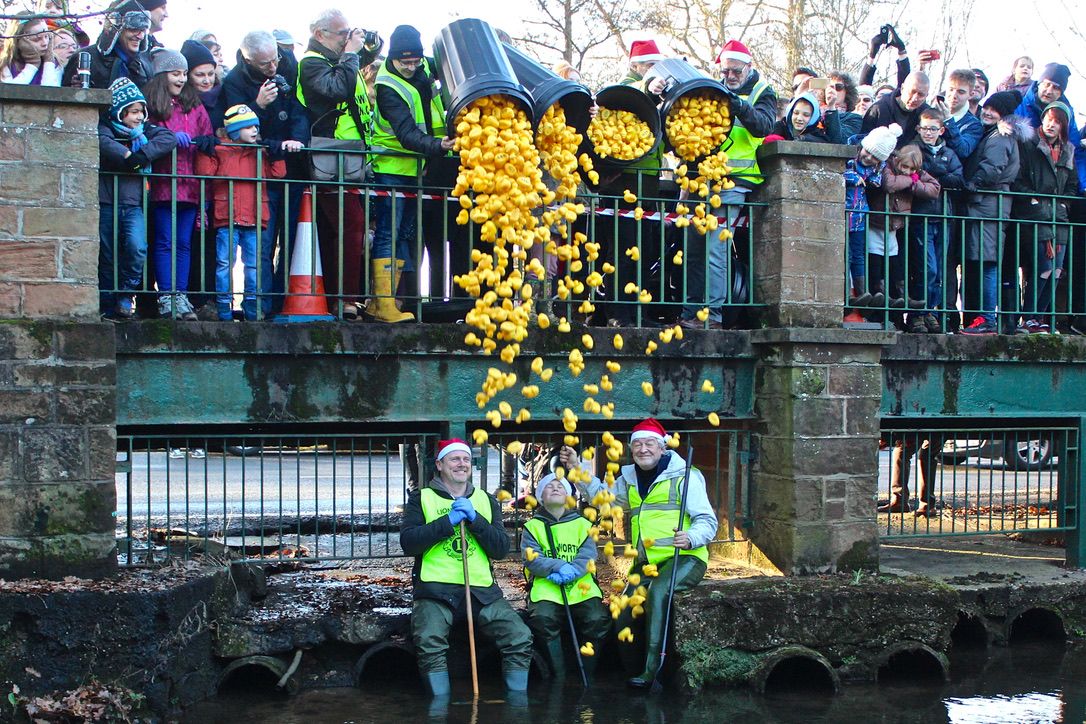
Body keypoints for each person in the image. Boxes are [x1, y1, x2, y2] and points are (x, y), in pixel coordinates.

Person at [584, 419, 717, 689]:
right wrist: (580, 473)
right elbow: (604, 501)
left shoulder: (685, 476)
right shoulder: (629, 479)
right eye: (637, 445)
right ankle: (631, 670)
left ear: (662, 447)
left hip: (685, 559)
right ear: (632, 450)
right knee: (624, 609)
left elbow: (707, 520)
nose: (643, 449)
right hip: (647, 563)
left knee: (658, 592)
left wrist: (691, 538)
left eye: (649, 444)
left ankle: (651, 671)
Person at [400, 439, 533, 700]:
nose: (462, 464)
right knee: (429, 640)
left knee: (519, 636)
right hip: (436, 589)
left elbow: (500, 549)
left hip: (482, 591)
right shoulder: (421, 499)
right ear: (439, 464)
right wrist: (447, 521)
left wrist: (475, 520)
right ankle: (439, 706)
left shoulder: (486, 500)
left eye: (466, 459)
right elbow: (409, 543)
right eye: (454, 459)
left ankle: (518, 704)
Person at [679, 39, 775, 330]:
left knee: (714, 247)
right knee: (695, 247)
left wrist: (739, 107)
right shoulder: (713, 88)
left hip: (736, 181)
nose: (730, 76)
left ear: (749, 67)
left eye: (735, 71)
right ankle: (692, 311)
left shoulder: (762, 91)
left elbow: (764, 125)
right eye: (726, 71)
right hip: (704, 178)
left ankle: (713, 315)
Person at [296, 9, 383, 320]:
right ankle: (344, 298)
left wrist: (363, 46)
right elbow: (335, 91)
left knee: (350, 227)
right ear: (320, 35)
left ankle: (345, 297)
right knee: (350, 226)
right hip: (330, 157)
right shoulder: (311, 62)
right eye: (342, 34)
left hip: (352, 156)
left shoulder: (342, 60)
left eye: (350, 33)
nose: (348, 40)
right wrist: (350, 55)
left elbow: (363, 66)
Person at [370, 25, 455, 322]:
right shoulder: (387, 87)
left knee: (403, 233)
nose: (410, 67)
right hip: (392, 167)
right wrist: (439, 145)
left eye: (415, 61)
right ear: (392, 58)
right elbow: (406, 133)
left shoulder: (424, 68)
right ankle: (382, 303)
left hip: (415, 168)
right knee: (388, 233)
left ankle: (396, 300)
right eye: (404, 62)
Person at [223, 30, 310, 317]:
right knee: (262, 243)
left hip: (293, 167)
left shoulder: (287, 65)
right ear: (248, 60)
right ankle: (259, 306)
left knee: (291, 240)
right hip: (259, 169)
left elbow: (299, 110)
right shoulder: (234, 81)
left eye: (275, 60)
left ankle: (285, 303)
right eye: (264, 64)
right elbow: (236, 128)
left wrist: (298, 141)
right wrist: (257, 106)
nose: (273, 67)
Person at [197, 105, 287, 321]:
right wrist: (205, 151)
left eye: (255, 126)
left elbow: (279, 173)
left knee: (253, 266)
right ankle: (224, 309)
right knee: (224, 265)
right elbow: (205, 172)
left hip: (254, 218)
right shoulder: (221, 150)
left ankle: (253, 309)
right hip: (227, 216)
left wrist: (276, 155)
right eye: (248, 127)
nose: (254, 130)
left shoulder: (261, 152)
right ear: (236, 131)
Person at [521, 458, 608, 681]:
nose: (555, 487)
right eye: (549, 486)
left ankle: (587, 671)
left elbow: (588, 554)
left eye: (560, 485)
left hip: (582, 586)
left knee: (597, 619)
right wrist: (558, 566)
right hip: (547, 586)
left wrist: (573, 570)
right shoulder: (532, 527)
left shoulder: (583, 524)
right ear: (541, 497)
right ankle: (558, 676)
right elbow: (532, 559)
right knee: (543, 619)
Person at [144, 48, 215, 320]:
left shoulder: (193, 105)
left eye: (184, 73)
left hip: (190, 185)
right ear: (162, 75)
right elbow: (149, 133)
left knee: (184, 242)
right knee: (164, 241)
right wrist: (173, 137)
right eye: (176, 73)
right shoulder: (154, 105)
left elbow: (205, 131)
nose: (182, 79)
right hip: (163, 183)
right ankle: (166, 296)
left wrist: (207, 141)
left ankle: (181, 295)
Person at [98, 77, 176, 318]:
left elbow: (168, 138)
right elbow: (102, 141)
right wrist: (126, 155)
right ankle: (109, 303)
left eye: (141, 111)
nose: (140, 116)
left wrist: (141, 156)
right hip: (108, 201)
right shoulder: (106, 127)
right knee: (108, 254)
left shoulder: (145, 131)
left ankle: (126, 292)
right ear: (119, 112)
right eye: (133, 111)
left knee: (137, 248)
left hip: (133, 204)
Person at [960, 91, 1025, 336]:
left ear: (1004, 115)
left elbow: (992, 168)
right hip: (990, 204)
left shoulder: (999, 137)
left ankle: (987, 318)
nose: (987, 112)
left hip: (987, 204)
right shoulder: (997, 134)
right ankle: (985, 317)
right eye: (987, 107)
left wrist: (973, 183)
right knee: (985, 260)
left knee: (988, 262)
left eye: (994, 110)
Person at [1012, 101, 1075, 334]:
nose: (1051, 124)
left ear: (1063, 126)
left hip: (1059, 216)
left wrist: (1064, 204)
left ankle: (1040, 318)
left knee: (1056, 271)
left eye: (1057, 121)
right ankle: (1028, 317)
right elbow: (1018, 179)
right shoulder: (1029, 144)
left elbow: (1072, 184)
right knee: (1043, 268)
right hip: (1036, 213)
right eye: (1049, 118)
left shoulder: (1067, 149)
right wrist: (1035, 200)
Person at [865, 143, 941, 316]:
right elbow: (889, 184)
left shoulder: (916, 174)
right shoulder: (886, 166)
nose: (907, 171)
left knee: (894, 261)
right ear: (897, 160)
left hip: (895, 224)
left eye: (911, 169)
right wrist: (911, 180)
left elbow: (934, 188)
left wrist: (914, 184)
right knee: (876, 258)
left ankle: (900, 295)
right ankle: (878, 296)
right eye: (904, 166)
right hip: (878, 221)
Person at [907, 108, 964, 333]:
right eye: (924, 128)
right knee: (926, 267)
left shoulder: (949, 152)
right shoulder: (914, 149)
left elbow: (958, 178)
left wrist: (936, 177)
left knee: (939, 270)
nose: (928, 133)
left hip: (943, 215)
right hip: (922, 215)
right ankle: (917, 313)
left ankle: (929, 310)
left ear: (941, 130)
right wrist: (938, 175)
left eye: (933, 129)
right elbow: (915, 172)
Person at [842, 126, 895, 323]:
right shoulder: (849, 158)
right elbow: (839, 173)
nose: (869, 157)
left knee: (858, 255)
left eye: (875, 157)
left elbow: (877, 181)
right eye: (868, 152)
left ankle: (862, 292)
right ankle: (847, 293)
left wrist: (868, 178)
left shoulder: (877, 167)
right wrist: (853, 177)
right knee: (845, 257)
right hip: (845, 213)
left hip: (860, 215)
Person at [1013, 63, 1086, 193]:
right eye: (1047, 84)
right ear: (1039, 83)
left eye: (1056, 87)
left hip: (1055, 183)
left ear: (1061, 92)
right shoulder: (1019, 103)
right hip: (1022, 180)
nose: (1049, 90)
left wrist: (1083, 186)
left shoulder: (1067, 114)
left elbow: (1076, 151)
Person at [62, 8, 152, 89]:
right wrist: (75, 90)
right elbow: (64, 100)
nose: (140, 36)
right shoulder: (85, 57)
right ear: (116, 29)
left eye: (143, 30)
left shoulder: (143, 65)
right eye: (134, 29)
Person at [860, 71, 930, 149]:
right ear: (902, 88)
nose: (914, 99)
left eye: (921, 95)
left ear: (926, 96)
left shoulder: (926, 114)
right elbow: (862, 140)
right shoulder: (879, 108)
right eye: (912, 92)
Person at [0, 12, 61, 86]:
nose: (45, 43)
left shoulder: (55, 62)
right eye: (37, 39)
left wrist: (49, 62)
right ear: (19, 41)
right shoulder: (5, 63)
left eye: (47, 36)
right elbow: (10, 93)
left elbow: (51, 93)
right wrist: (32, 65)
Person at [765, 91, 841, 143]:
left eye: (806, 115)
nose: (799, 118)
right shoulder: (779, 127)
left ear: (813, 117)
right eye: (796, 113)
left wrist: (803, 139)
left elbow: (835, 141)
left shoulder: (817, 134)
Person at [860, 24, 910, 90]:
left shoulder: (897, 98)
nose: (884, 98)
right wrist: (872, 55)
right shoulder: (869, 99)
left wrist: (901, 50)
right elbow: (863, 91)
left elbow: (905, 89)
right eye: (881, 95)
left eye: (888, 95)